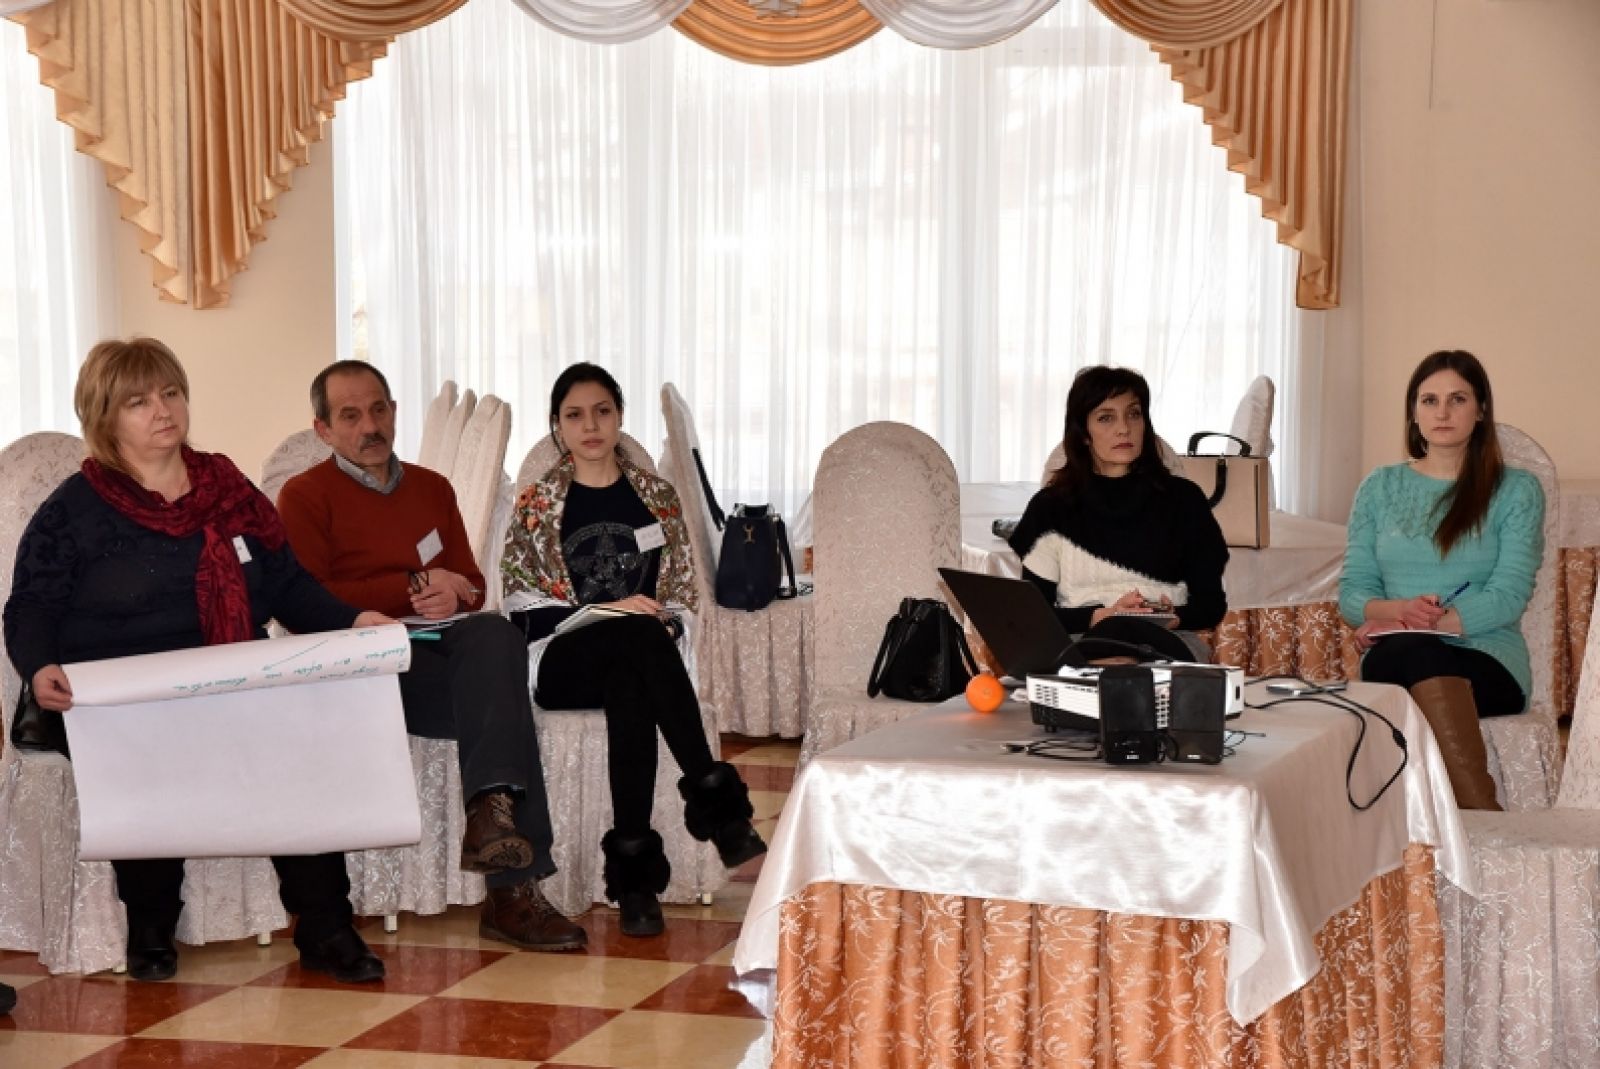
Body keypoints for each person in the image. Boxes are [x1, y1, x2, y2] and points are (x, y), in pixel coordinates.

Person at [2, 338, 388, 984]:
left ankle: (326, 926)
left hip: (231, 675)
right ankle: (152, 926)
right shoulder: (74, 509)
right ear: (104, 417)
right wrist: (40, 665)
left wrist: (353, 621)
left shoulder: (226, 487)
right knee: (145, 746)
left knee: (298, 740)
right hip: (120, 694)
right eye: (139, 401)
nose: (163, 409)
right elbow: (31, 604)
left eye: (171, 392)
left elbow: (286, 582)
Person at [277, 360, 586, 952]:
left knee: (494, 632)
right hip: (364, 666)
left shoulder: (431, 487)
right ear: (323, 429)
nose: (370, 426)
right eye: (350, 416)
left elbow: (472, 581)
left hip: (439, 648)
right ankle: (511, 892)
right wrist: (414, 586)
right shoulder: (305, 496)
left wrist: (457, 592)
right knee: (504, 705)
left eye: (379, 409)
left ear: (395, 412)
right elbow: (304, 602)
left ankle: (492, 819)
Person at [502, 363, 766, 938]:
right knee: (635, 640)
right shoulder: (537, 505)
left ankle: (636, 883)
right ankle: (718, 806)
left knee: (632, 675)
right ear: (557, 425)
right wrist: (610, 611)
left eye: (602, 411)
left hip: (640, 654)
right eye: (575, 415)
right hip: (562, 661)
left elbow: (680, 596)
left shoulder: (656, 498)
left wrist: (659, 625)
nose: (590, 425)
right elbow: (519, 604)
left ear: (619, 416)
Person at [1339, 350, 1543, 811]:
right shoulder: (1379, 487)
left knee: (1414, 651)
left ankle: (1466, 819)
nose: (1443, 412)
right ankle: (1482, 821)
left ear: (1481, 409)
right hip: (1397, 654)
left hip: (1488, 658)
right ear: (1414, 412)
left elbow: (1509, 596)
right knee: (1409, 651)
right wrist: (1398, 614)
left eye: (1458, 399)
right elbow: (1353, 593)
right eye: (1429, 400)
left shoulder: (1515, 489)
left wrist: (1421, 624)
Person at [1008, 365, 1230, 663]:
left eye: (1134, 414)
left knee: (1127, 648)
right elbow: (1035, 615)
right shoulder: (1049, 508)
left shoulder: (1185, 500)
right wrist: (1101, 616)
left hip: (1165, 644)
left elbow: (1211, 605)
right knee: (1109, 646)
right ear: (1083, 433)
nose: (1124, 428)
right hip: (1082, 641)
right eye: (1106, 417)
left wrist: (1169, 615)